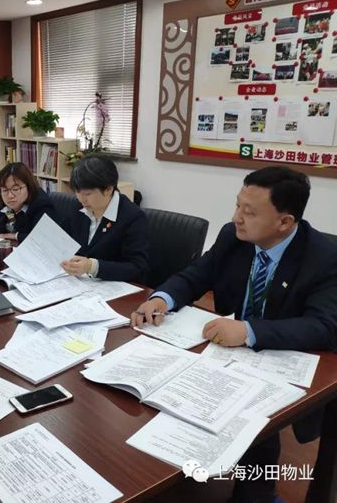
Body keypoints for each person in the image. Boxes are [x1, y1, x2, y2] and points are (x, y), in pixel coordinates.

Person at [132, 166, 337, 503]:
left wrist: (248, 330)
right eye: (237, 205)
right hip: (227, 355)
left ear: (284, 222)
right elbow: (195, 275)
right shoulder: (233, 236)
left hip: (282, 360)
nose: (236, 217)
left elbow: (323, 326)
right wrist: (162, 298)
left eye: (249, 212)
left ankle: (256, 492)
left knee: (252, 424)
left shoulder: (324, 257)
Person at [61, 153, 149, 282]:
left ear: (108, 189)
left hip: (113, 287)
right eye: (77, 192)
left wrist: (92, 266)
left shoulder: (133, 217)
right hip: (78, 283)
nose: (81, 199)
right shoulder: (78, 207)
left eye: (88, 194)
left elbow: (137, 268)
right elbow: (63, 240)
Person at [0, 162, 58, 241]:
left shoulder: (41, 204)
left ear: (29, 187)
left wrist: (15, 236)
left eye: (15, 189)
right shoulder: (4, 201)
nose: (10, 195)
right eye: (5, 190)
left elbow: (43, 238)